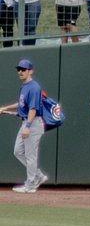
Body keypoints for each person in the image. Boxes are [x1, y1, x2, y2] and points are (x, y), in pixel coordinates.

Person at [4, 59, 48, 193]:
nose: (20, 72)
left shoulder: (34, 87)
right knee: (18, 151)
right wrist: (5, 108)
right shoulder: (24, 86)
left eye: (23, 69)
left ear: (31, 71)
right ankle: (38, 176)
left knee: (30, 155)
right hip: (26, 122)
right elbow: (21, 104)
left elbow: (33, 109)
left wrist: (28, 126)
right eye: (19, 69)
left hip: (33, 123)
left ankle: (31, 185)